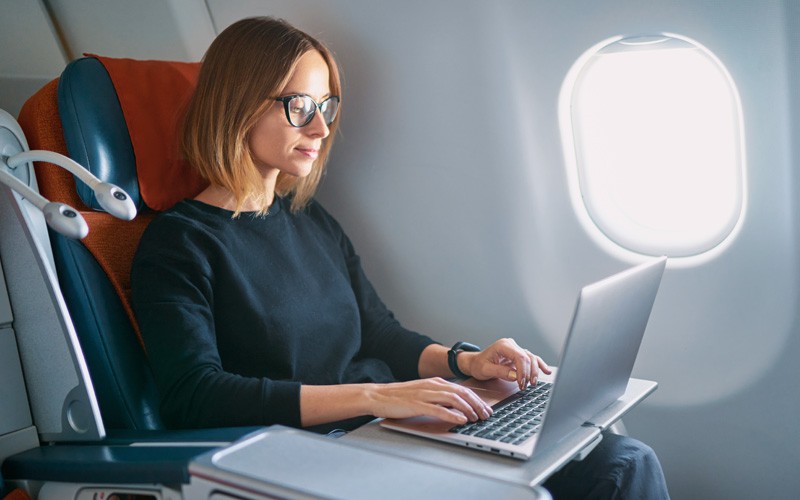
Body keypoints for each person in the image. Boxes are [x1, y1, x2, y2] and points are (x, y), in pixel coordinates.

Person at [130, 16, 669, 499]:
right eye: (299, 106)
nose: (320, 127)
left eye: (326, 107)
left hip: (389, 428)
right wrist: (376, 395)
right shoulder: (180, 243)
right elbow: (194, 396)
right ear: (238, 103)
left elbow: (380, 334)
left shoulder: (308, 219)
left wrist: (466, 362)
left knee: (622, 461)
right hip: (319, 454)